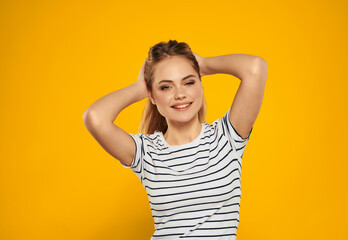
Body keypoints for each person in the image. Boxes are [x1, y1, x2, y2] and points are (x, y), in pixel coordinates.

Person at [83, 40, 268, 239]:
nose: (180, 94)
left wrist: (203, 65)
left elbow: (255, 68)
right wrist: (140, 88)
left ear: (200, 84)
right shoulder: (146, 152)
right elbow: (95, 118)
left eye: (189, 82)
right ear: (152, 96)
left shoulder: (226, 137)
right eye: (165, 87)